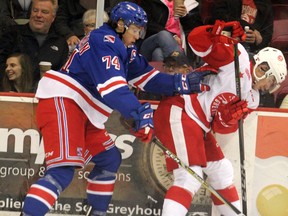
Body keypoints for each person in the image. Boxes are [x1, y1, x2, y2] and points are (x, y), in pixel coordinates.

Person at [20, 2, 213, 216]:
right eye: (135, 29)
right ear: (121, 24)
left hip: (84, 109)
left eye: (140, 31)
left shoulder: (124, 49)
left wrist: (181, 83)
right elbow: (112, 90)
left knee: (109, 158)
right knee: (62, 171)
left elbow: (148, 77)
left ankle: (97, 213)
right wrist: (138, 113)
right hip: (65, 101)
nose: (139, 36)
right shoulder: (103, 40)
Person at [153, 20, 287, 216]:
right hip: (181, 108)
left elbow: (221, 128)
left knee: (222, 171)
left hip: (199, 125)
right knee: (188, 177)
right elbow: (195, 42)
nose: (270, 87)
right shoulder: (237, 58)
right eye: (272, 80)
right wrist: (216, 33)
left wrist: (227, 118)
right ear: (263, 67)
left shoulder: (252, 98)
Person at [0, 0, 69, 88]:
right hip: (13, 94)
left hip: (46, 95)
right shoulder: (12, 34)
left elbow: (62, 77)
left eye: (44, 12)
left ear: (53, 17)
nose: (38, 15)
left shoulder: (61, 43)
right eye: (35, 10)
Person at [138, 0, 202, 63]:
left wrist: (185, 15)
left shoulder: (189, 3)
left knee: (158, 53)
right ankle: (183, 66)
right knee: (163, 34)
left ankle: (171, 72)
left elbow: (197, 29)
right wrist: (172, 35)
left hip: (177, 45)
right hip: (151, 42)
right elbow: (148, 23)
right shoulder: (149, 2)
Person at [210, 0, 274, 54]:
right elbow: (219, 16)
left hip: (252, 50)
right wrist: (249, 28)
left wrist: (257, 40)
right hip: (226, 44)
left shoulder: (265, 3)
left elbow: (267, 33)